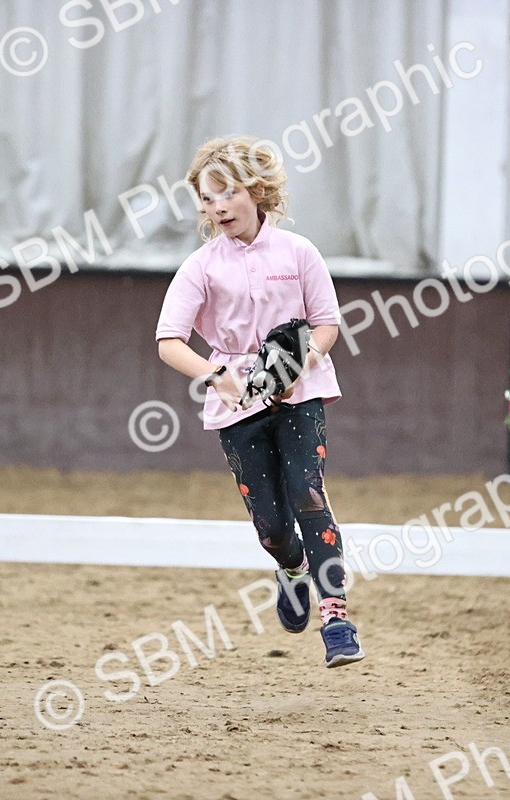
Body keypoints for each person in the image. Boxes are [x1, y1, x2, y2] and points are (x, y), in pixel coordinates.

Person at [155, 135, 364, 668]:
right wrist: (212, 374)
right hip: (237, 403)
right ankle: (290, 568)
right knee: (270, 524)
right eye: (206, 198)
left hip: (301, 394)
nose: (216, 206)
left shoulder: (299, 253)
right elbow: (169, 340)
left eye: (225, 192)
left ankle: (336, 617)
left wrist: (299, 365)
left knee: (307, 493)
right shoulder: (200, 267)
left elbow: (326, 326)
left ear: (257, 189)